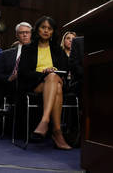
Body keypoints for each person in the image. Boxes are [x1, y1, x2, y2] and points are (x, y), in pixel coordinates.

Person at [17, 16, 71, 150]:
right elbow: (23, 72)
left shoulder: (58, 50)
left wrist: (53, 72)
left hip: (56, 80)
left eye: (49, 28)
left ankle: (45, 121)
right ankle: (57, 132)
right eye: (43, 27)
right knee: (56, 85)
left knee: (54, 78)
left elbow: (65, 69)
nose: (46, 31)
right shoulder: (28, 49)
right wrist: (43, 74)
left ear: (53, 32)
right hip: (36, 84)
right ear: (37, 30)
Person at [0, 22, 32, 87]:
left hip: (30, 86)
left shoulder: (39, 51)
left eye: (27, 32)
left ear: (31, 34)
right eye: (21, 32)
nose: (25, 35)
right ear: (16, 35)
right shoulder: (5, 54)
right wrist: (9, 78)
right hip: (10, 87)